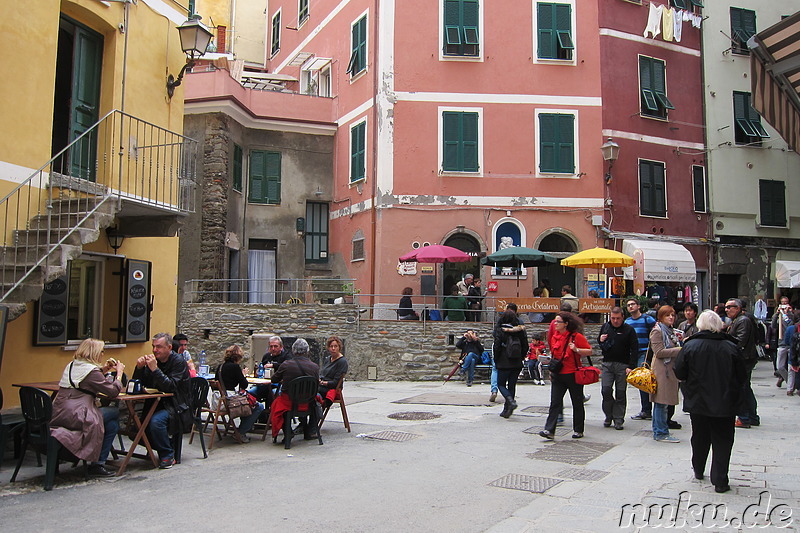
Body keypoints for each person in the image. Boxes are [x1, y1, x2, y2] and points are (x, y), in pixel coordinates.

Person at [673, 310, 746, 493]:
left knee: (700, 436)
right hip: (725, 402)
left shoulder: (690, 346)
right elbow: (742, 376)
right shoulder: (731, 347)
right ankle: (720, 480)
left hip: (699, 400)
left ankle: (698, 468)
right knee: (723, 440)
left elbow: (679, 371)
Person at [49, 338, 124, 477]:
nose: (103, 354)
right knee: (114, 412)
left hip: (61, 410)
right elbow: (113, 391)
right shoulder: (91, 372)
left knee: (112, 425)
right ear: (95, 352)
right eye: (102, 351)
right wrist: (118, 374)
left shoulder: (72, 365)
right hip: (78, 413)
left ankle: (99, 462)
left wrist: (104, 369)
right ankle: (97, 463)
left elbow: (86, 381)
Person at [132, 332, 191, 469]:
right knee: (135, 426)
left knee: (156, 422)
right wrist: (139, 368)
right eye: (153, 346)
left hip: (176, 406)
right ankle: (164, 445)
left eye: (158, 347)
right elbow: (140, 383)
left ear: (169, 347)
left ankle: (167, 454)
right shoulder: (155, 361)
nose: (154, 350)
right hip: (155, 403)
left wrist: (155, 369)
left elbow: (171, 387)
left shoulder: (178, 362)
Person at [539, 312, 592, 439]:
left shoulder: (576, 337)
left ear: (566, 324)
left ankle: (578, 430)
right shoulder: (554, 337)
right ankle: (549, 430)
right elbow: (555, 355)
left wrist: (576, 350)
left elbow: (589, 350)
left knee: (577, 402)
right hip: (558, 375)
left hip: (573, 374)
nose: (555, 324)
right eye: (555, 321)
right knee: (555, 403)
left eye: (558, 322)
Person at [270, 338, 320, 441]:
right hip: (307, 402)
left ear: (293, 350)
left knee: (275, 403)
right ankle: (309, 431)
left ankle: (288, 431)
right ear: (307, 351)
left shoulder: (286, 365)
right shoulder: (314, 367)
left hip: (288, 402)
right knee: (316, 400)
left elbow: (274, 379)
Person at [597, 307, 638, 430]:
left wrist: (631, 366)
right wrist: (600, 340)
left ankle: (618, 418)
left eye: (618, 318)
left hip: (623, 365)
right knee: (606, 390)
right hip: (607, 363)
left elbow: (634, 348)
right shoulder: (605, 327)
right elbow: (601, 343)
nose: (615, 321)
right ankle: (609, 415)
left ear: (622, 317)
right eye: (613, 318)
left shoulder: (629, 330)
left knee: (620, 392)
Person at [215, 345, 265, 443]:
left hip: (217, 400)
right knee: (258, 406)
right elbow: (244, 385)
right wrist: (243, 375)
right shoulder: (235, 367)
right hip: (228, 401)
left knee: (246, 401)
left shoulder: (220, 367)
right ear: (238, 357)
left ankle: (243, 427)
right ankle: (241, 432)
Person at [649, 305, 683, 443]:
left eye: (673, 315)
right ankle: (660, 432)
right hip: (661, 371)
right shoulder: (657, 331)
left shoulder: (670, 331)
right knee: (660, 402)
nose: (671, 317)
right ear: (661, 317)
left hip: (669, 370)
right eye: (667, 315)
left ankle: (661, 429)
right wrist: (680, 350)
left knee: (664, 402)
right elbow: (659, 352)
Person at [725, 298, 760, 428]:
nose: (727, 310)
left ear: (738, 308)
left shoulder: (743, 320)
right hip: (745, 358)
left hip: (744, 359)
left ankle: (744, 417)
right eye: (726, 307)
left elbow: (740, 341)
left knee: (742, 388)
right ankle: (751, 416)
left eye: (730, 307)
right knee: (746, 388)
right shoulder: (738, 320)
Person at [625, 298, 657, 421]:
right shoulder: (627, 322)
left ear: (638, 306)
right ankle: (646, 408)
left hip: (645, 353)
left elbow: (655, 333)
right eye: (628, 305)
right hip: (633, 353)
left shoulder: (647, 319)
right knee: (639, 381)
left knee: (643, 380)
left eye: (632, 304)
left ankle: (646, 410)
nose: (630, 307)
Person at [493, 309, 527, 418]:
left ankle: (510, 401)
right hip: (516, 361)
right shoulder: (520, 330)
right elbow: (525, 345)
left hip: (503, 361)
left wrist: (496, 359)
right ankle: (507, 409)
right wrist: (521, 357)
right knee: (512, 385)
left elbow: (497, 346)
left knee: (501, 384)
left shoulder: (500, 330)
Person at [319, 336, 349, 406]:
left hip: (331, 387)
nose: (333, 348)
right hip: (322, 385)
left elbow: (336, 382)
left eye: (335, 346)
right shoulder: (328, 359)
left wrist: (324, 383)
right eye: (331, 346)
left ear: (339, 347)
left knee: (313, 392)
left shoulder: (342, 362)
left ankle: (316, 412)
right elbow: (322, 373)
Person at [771, 297, 793, 389]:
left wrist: (789, 313)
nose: (784, 304)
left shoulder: (792, 315)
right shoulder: (778, 315)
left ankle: (791, 385)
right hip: (782, 343)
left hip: (791, 343)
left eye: (786, 302)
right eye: (783, 302)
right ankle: (788, 380)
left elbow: (791, 326)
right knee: (780, 366)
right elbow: (773, 325)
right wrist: (777, 314)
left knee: (791, 366)